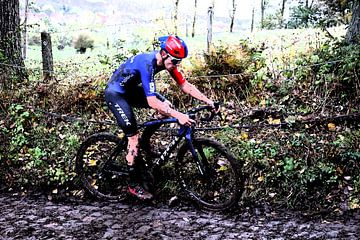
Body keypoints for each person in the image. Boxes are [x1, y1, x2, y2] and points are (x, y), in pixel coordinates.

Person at [104, 35, 217, 200]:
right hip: (115, 94)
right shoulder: (147, 63)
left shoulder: (167, 62)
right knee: (133, 137)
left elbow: (185, 85)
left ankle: (146, 145)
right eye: (175, 61)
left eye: (179, 62)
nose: (176, 65)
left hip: (130, 91)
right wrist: (178, 116)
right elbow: (151, 100)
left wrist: (208, 101)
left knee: (167, 106)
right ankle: (133, 184)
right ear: (164, 53)